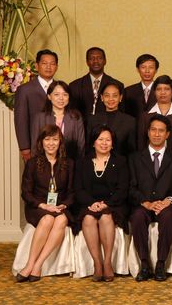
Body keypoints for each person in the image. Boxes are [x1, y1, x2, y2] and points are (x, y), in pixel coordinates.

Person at [16, 125, 74, 282]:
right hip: (37, 207)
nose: (51, 143)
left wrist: (64, 205)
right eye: (47, 139)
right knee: (48, 219)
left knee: (61, 219)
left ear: (60, 142)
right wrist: (43, 206)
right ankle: (29, 264)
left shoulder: (68, 164)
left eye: (55, 139)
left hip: (60, 206)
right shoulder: (32, 163)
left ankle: (38, 265)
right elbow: (26, 193)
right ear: (41, 142)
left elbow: (72, 192)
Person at [128, 115, 172, 282]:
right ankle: (144, 264)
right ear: (148, 132)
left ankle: (160, 264)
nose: (157, 134)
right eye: (153, 130)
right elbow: (131, 187)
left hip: (167, 206)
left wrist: (167, 201)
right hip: (144, 204)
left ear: (167, 134)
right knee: (137, 216)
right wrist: (146, 203)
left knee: (167, 217)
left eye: (161, 131)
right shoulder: (135, 158)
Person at [74, 125, 129, 282]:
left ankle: (107, 263)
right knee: (88, 219)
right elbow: (79, 189)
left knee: (105, 218)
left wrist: (106, 204)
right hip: (89, 204)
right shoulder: (83, 162)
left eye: (108, 140)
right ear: (93, 142)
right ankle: (97, 263)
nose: (104, 143)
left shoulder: (120, 161)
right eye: (100, 139)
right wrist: (92, 203)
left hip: (113, 204)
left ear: (112, 143)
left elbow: (122, 189)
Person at [15, 49, 59, 161]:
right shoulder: (24, 90)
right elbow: (21, 120)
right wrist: (25, 148)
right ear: (36, 65)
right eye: (44, 63)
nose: (48, 67)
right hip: (35, 145)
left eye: (52, 64)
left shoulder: (62, 88)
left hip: (58, 146)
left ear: (56, 67)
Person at [31, 81, 85, 160]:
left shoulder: (76, 117)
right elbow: (35, 147)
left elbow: (81, 146)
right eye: (56, 94)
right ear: (49, 96)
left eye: (65, 94)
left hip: (71, 163)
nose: (61, 98)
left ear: (69, 97)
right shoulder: (39, 118)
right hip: (45, 164)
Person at [137, 75, 172, 158]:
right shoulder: (145, 116)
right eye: (159, 89)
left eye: (166, 89)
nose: (163, 92)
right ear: (154, 92)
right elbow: (141, 144)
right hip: (149, 162)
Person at [69, 47, 120, 122]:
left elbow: (120, 113)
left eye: (99, 58)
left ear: (105, 61)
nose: (95, 61)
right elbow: (72, 113)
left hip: (108, 129)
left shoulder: (117, 85)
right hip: (82, 129)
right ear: (87, 62)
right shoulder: (74, 86)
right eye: (91, 58)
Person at [86, 81, 136, 156]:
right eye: (107, 95)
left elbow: (132, 151)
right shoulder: (92, 120)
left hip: (121, 164)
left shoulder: (130, 121)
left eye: (115, 95)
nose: (111, 99)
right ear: (102, 97)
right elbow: (88, 147)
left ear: (120, 97)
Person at [124, 54, 159, 120]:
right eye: (143, 67)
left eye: (151, 67)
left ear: (156, 70)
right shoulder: (128, 91)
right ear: (138, 69)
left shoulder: (161, 91)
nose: (147, 71)